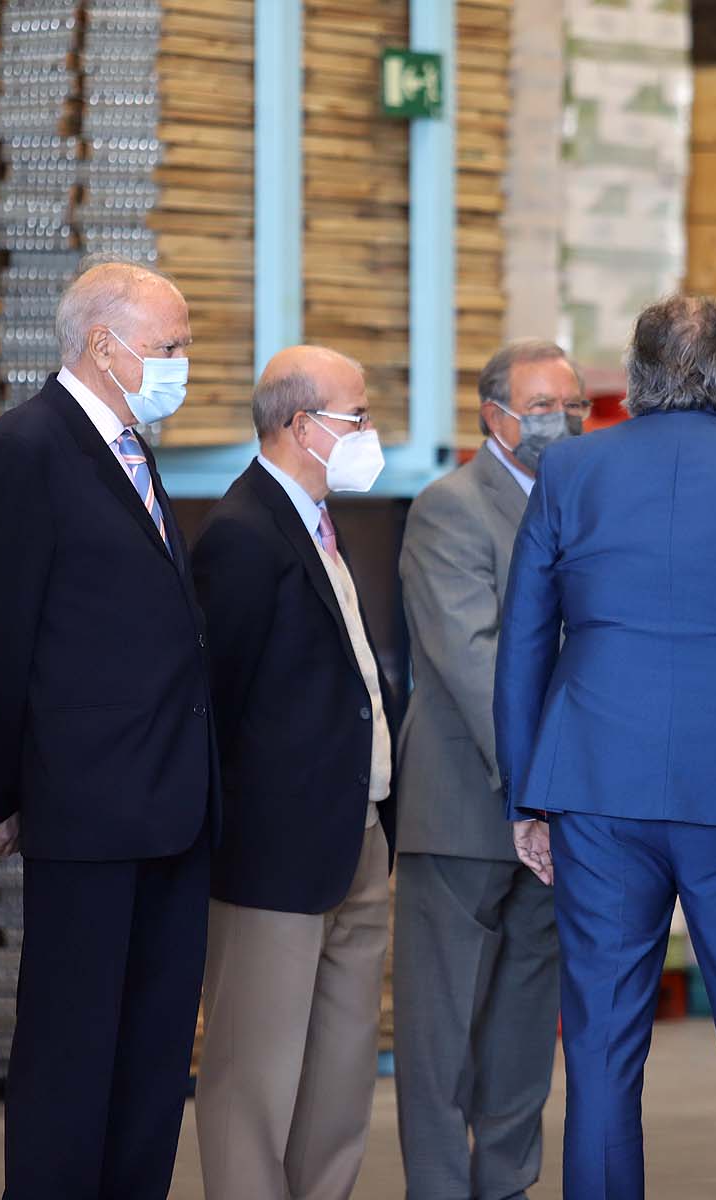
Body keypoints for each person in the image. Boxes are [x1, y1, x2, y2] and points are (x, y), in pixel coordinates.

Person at [493, 295, 716, 1199]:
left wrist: (527, 796)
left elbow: (524, 646)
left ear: (635, 377)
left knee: (602, 1050)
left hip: (597, 787)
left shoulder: (570, 471)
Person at [0, 258, 216, 1198]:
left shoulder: (131, 449)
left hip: (171, 805)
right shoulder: (32, 447)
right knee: (74, 1048)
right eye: (171, 347)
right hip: (90, 806)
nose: (185, 364)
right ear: (104, 346)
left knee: (150, 1055)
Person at [190, 345, 398, 1200]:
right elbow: (219, 703)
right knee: (255, 1071)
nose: (370, 433)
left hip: (357, 832)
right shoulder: (243, 534)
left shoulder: (316, 523)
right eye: (357, 417)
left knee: (341, 1069)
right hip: (275, 853)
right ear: (303, 426)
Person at [392, 339, 585, 1198]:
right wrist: (536, 791)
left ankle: (504, 1188)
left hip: (554, 816)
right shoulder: (451, 508)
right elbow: (475, 663)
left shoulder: (579, 503)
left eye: (573, 405)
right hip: (472, 811)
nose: (563, 421)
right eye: (544, 406)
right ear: (494, 414)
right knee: (441, 1040)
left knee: (518, 1036)